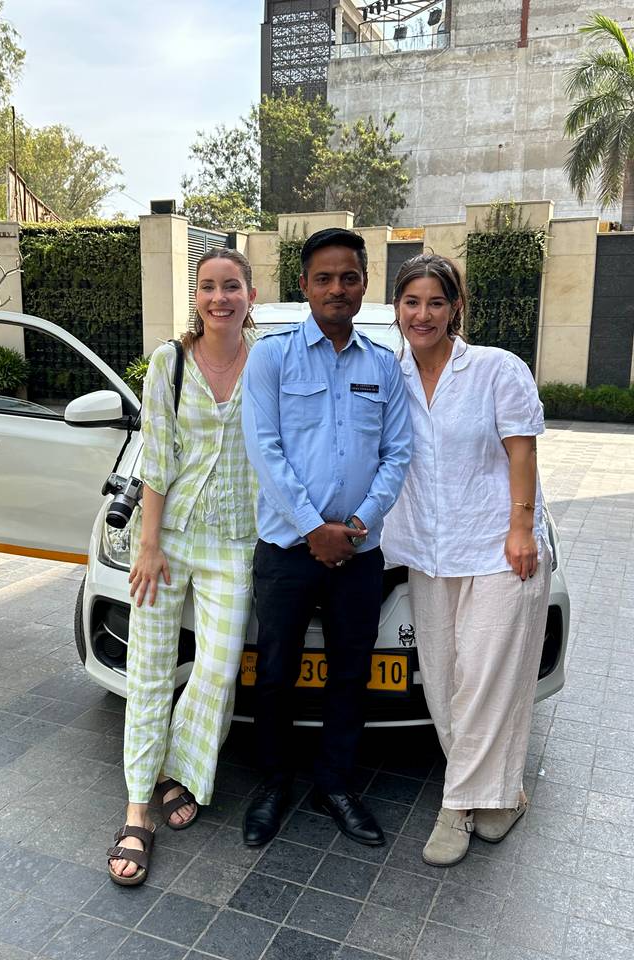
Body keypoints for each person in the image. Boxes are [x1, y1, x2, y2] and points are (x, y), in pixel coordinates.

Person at [241, 228, 412, 847]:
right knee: (276, 672)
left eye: (348, 277)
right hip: (288, 553)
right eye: (324, 278)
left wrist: (357, 525)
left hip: (359, 555)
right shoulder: (271, 357)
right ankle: (273, 782)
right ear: (305, 286)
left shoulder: (383, 365)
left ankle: (336, 783)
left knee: (349, 672)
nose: (337, 288)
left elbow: (398, 453)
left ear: (364, 284)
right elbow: (264, 449)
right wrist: (315, 528)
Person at [381, 252, 551, 867]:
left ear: (456, 308)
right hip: (427, 553)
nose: (422, 314)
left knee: (486, 677)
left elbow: (521, 452)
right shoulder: (385, 374)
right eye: (411, 302)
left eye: (435, 302)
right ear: (396, 308)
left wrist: (522, 527)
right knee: (448, 681)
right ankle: (500, 797)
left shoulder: (496, 370)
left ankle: (456, 807)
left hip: (499, 549)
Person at [108, 249, 259, 885]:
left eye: (231, 287)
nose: (218, 298)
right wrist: (148, 545)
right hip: (165, 538)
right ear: (195, 296)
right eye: (207, 287)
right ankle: (137, 806)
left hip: (235, 542)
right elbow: (158, 456)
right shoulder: (169, 364)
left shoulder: (270, 364)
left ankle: (178, 767)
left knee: (218, 671)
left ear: (250, 295)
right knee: (148, 670)